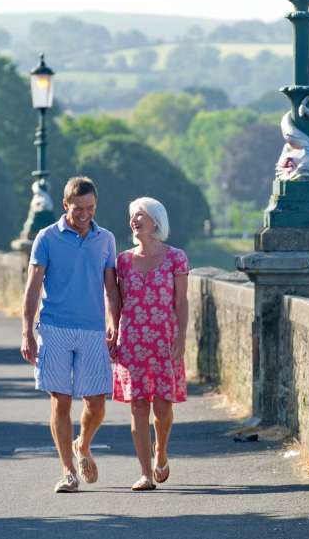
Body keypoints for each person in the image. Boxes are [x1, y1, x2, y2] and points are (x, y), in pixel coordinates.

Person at [20, 177, 120, 493]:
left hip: (93, 330)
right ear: (65, 205)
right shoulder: (46, 238)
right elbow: (32, 287)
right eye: (79, 208)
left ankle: (83, 445)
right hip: (54, 327)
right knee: (60, 400)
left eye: (90, 207)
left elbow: (112, 289)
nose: (85, 214)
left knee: (96, 403)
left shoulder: (106, 239)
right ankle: (67, 472)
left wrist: (115, 324)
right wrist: (27, 331)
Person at [112, 197, 189, 491]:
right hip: (132, 341)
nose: (134, 220)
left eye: (140, 215)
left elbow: (181, 302)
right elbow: (117, 302)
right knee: (138, 407)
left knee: (162, 407)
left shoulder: (176, 258)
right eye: (132, 215)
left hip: (164, 339)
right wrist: (113, 333)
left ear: (155, 220)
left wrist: (181, 337)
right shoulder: (123, 261)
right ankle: (145, 473)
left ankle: (161, 451)